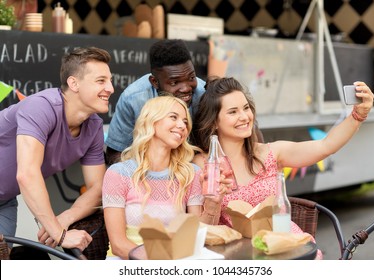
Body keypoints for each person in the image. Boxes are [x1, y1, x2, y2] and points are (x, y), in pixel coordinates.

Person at [191, 77, 374, 239]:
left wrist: (358, 115)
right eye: (233, 112)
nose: (245, 116)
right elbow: (201, 231)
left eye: (246, 108)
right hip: (239, 256)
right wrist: (213, 203)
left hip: (285, 246)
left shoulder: (270, 153)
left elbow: (325, 146)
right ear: (214, 122)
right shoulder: (203, 165)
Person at [0, 47, 114, 252]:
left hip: (4, 201)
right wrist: (60, 235)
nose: (111, 88)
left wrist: (64, 218)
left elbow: (98, 188)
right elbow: (27, 174)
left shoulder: (93, 126)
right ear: (74, 83)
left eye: (110, 80)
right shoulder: (41, 107)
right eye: (101, 81)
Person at [102, 96, 229, 260]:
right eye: (173, 117)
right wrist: (161, 265)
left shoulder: (191, 173)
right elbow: (119, 245)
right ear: (151, 121)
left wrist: (213, 203)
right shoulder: (118, 174)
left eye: (185, 121)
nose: (182, 126)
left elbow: (198, 236)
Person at [105, 39, 206, 165]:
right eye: (174, 82)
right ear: (154, 82)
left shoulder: (204, 94)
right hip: (144, 172)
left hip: (190, 170)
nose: (186, 88)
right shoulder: (133, 99)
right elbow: (115, 153)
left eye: (191, 78)